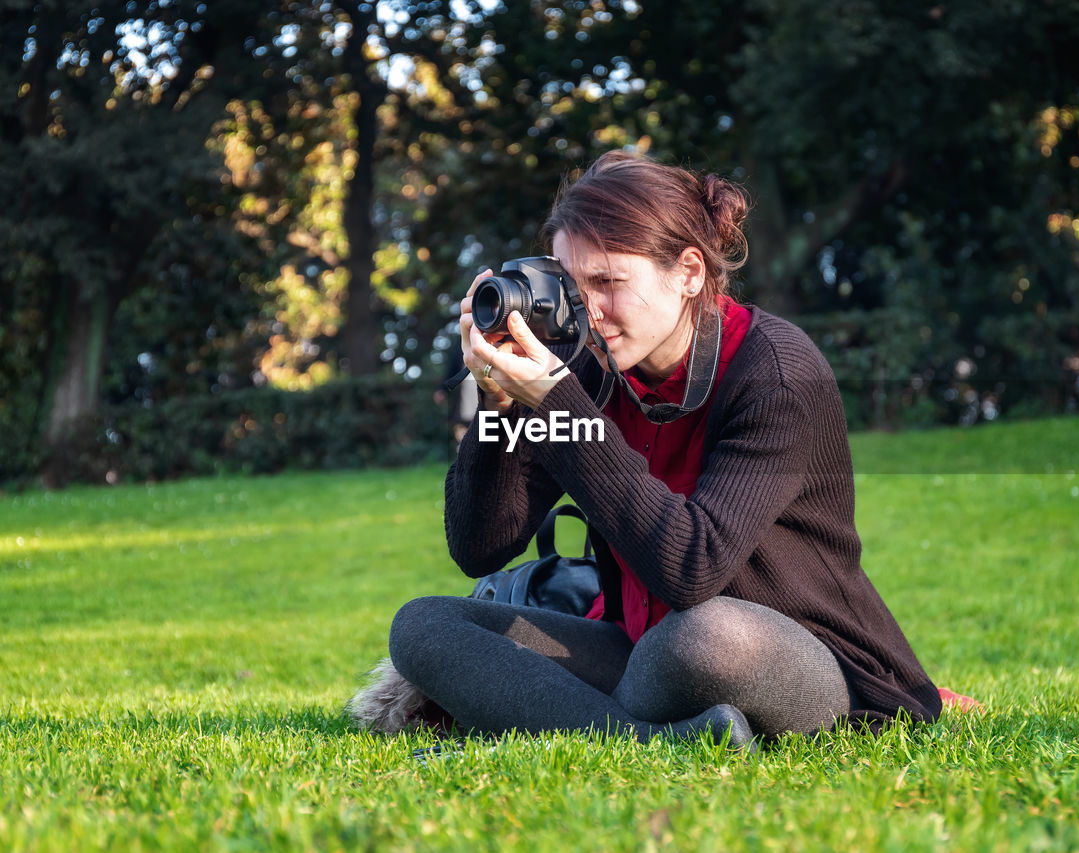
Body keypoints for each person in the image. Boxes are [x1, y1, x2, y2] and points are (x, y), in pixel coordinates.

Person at [380, 151, 944, 745]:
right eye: (575, 286)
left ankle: (576, 716)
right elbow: (481, 546)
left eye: (610, 282)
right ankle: (659, 736)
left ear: (690, 272)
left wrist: (561, 407)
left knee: (695, 639)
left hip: (797, 660)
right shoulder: (588, 375)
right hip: (641, 646)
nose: (588, 311)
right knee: (425, 626)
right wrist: (499, 405)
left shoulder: (777, 372)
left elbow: (691, 568)